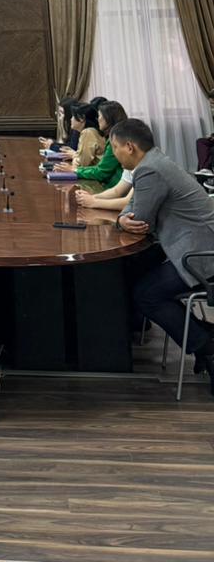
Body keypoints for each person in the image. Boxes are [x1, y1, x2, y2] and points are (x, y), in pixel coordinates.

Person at [111, 118, 214, 388]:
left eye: (115, 147)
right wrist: (122, 219)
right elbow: (132, 208)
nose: (114, 154)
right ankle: (205, 338)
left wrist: (123, 221)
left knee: (147, 294)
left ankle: (207, 345)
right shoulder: (153, 162)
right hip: (192, 246)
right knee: (137, 276)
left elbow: (141, 221)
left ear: (129, 146)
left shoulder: (150, 169)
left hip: (201, 254)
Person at [71, 101, 128, 189]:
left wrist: (75, 170)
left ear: (108, 118)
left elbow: (102, 172)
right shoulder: (115, 136)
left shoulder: (116, 140)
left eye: (100, 116)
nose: (98, 119)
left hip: (112, 187)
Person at [58, 103, 106, 167]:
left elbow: (82, 164)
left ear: (82, 118)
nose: (71, 119)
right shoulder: (90, 131)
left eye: (73, 116)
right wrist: (76, 155)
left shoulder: (88, 133)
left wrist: (74, 156)